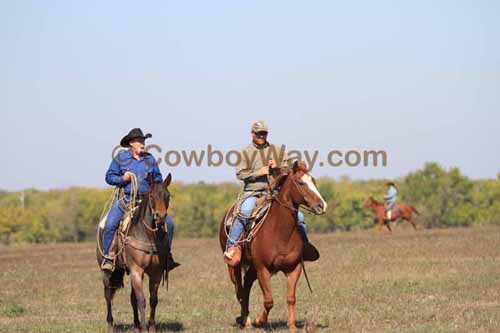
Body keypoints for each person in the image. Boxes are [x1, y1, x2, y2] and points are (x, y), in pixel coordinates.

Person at [223, 120, 311, 264]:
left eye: (264, 133)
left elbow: (292, 169)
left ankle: (305, 248)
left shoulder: (278, 150)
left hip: (275, 194)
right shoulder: (245, 152)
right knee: (245, 211)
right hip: (253, 192)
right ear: (252, 134)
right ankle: (231, 248)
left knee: (299, 216)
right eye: (258, 134)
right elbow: (240, 174)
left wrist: (279, 166)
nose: (261, 136)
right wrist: (258, 172)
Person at [101, 128, 178, 272]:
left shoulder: (150, 159)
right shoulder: (120, 158)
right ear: (131, 143)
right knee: (110, 224)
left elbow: (158, 179)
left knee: (170, 224)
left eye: (143, 140)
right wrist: (123, 178)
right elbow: (109, 177)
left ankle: (167, 256)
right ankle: (108, 258)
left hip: (148, 201)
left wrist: (157, 186)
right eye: (139, 141)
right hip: (127, 200)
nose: (143, 143)